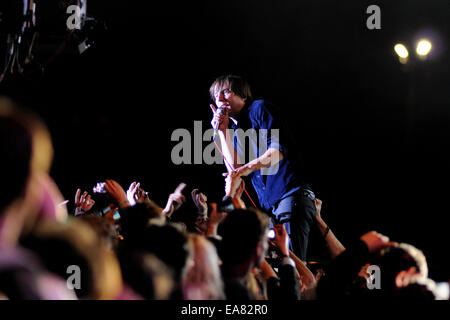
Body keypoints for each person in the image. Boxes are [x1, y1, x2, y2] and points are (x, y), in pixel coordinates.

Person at [209, 74, 316, 261]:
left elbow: (277, 151)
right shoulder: (234, 131)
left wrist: (242, 170)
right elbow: (235, 167)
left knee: (295, 264)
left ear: (242, 94)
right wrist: (223, 130)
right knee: (280, 264)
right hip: (269, 207)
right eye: (216, 95)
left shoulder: (259, 109)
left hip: (290, 195)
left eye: (225, 92)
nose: (219, 99)